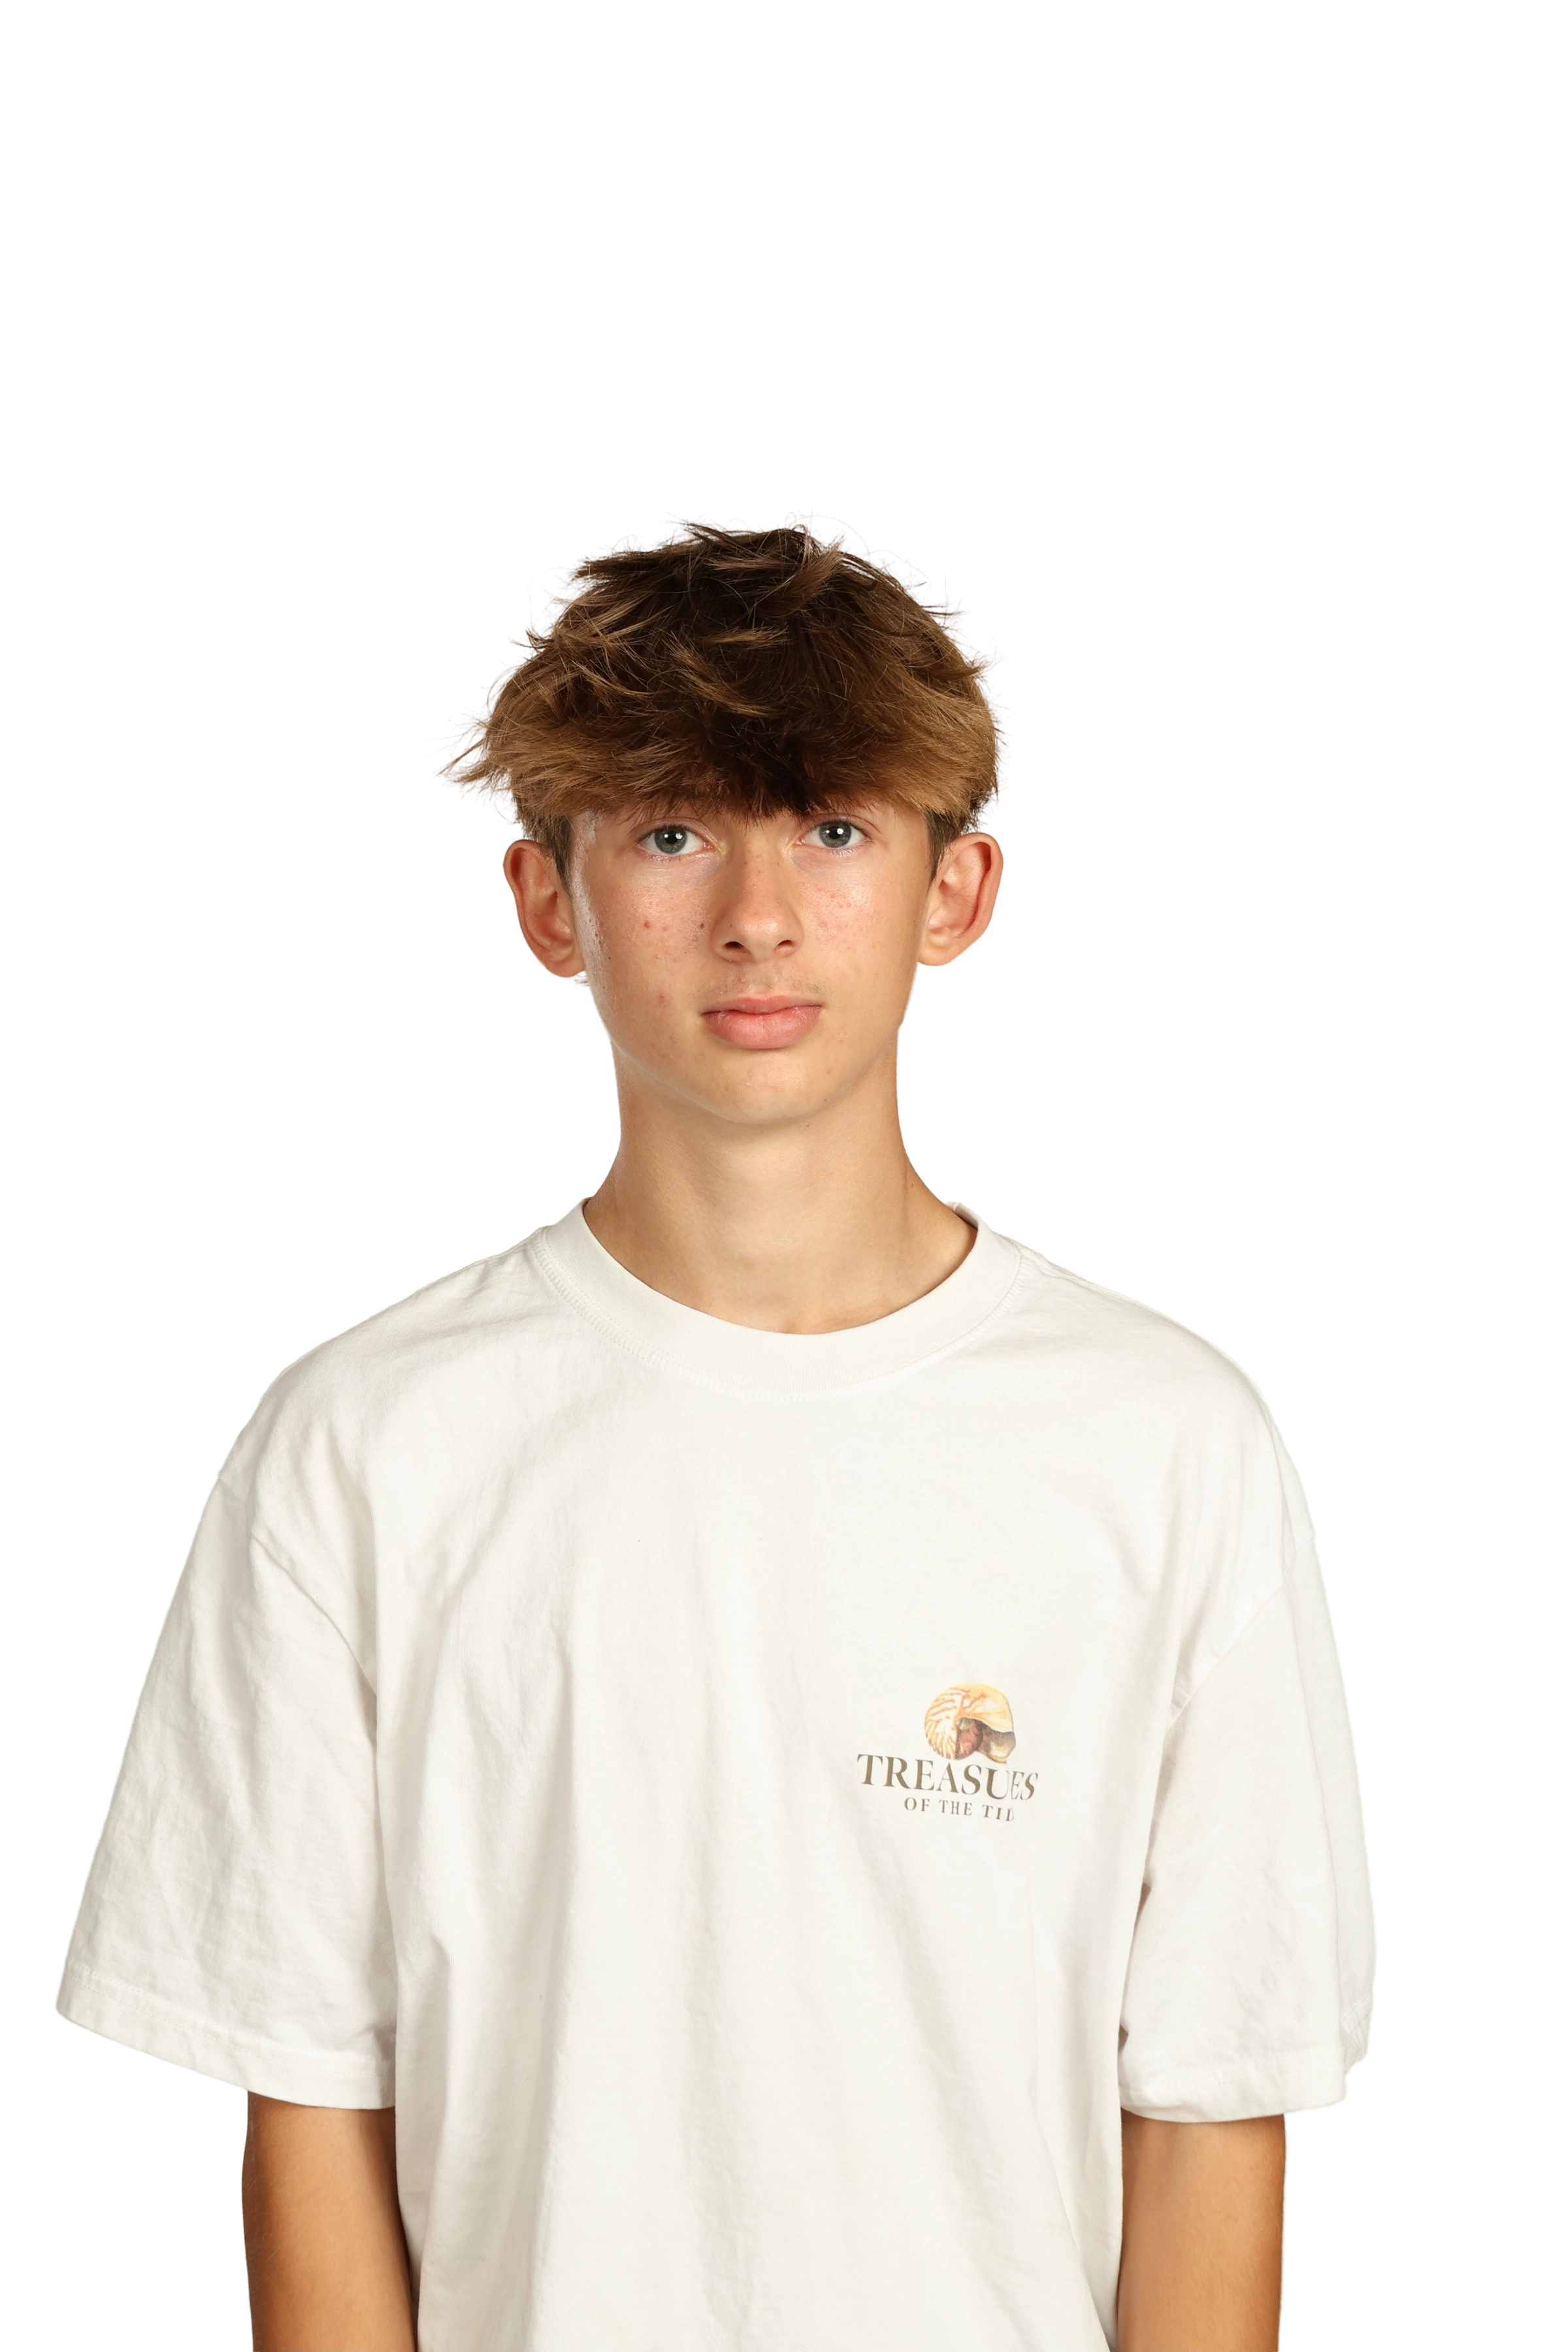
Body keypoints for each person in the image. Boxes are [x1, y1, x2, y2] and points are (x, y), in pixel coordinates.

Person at [54, 507, 1377, 2352]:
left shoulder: (1168, 1445)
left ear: (959, 892)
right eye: (672, 832)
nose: (758, 917)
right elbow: (311, 2095)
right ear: (547, 901)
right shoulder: (363, 1449)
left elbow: (1213, 2102)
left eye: (834, 829)